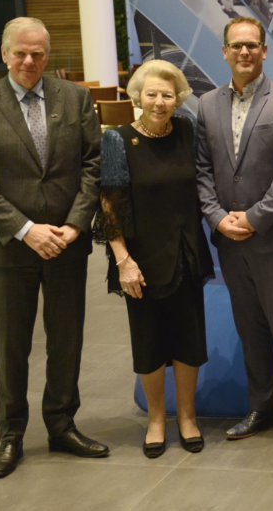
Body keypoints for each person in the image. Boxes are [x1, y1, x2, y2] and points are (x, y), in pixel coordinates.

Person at [0, 17, 107, 478]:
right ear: (4, 54)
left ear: (47, 54)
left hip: (66, 245)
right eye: (20, 53)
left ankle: (62, 426)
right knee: (12, 347)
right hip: (10, 250)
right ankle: (11, 435)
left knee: (66, 342)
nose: (29, 61)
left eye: (37, 53)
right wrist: (26, 230)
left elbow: (93, 164)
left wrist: (75, 225)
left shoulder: (75, 98)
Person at [195, 16, 273, 454]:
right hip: (229, 239)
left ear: (264, 51)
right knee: (250, 330)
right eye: (236, 45)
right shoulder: (207, 104)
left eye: (252, 45)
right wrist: (216, 218)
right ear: (224, 51)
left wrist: (254, 218)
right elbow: (202, 170)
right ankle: (261, 408)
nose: (244, 52)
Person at [93, 60, 215, 459]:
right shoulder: (118, 139)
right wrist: (123, 260)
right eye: (151, 94)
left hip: (185, 253)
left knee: (189, 340)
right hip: (140, 260)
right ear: (137, 97)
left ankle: (187, 418)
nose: (159, 102)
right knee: (149, 343)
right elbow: (109, 205)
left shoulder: (186, 130)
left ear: (177, 98)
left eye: (167, 95)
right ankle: (157, 420)